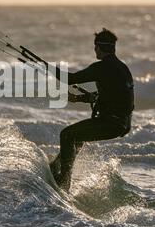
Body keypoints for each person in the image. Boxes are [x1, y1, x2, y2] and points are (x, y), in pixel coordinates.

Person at [50, 28, 135, 191]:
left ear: (100, 47)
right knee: (76, 138)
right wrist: (80, 98)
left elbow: (72, 79)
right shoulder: (122, 68)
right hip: (121, 124)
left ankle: (64, 180)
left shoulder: (103, 67)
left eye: (95, 47)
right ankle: (56, 168)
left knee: (67, 135)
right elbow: (110, 94)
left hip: (110, 123)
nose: (94, 50)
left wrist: (47, 67)